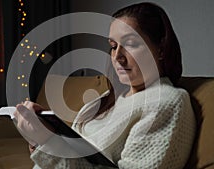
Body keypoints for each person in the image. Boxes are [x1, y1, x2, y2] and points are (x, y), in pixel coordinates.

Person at [14, 2, 196, 169]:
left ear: (161, 49)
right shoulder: (105, 101)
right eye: (113, 46)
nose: (117, 56)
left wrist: (48, 143)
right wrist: (42, 139)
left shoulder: (167, 102)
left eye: (130, 44)